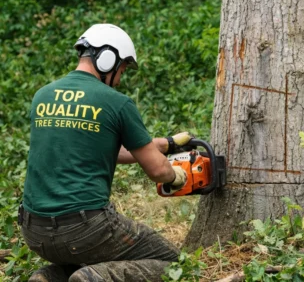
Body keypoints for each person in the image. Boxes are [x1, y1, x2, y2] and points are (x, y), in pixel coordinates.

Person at [19, 23, 191, 282]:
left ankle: (48, 278)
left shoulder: (42, 96)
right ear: (107, 58)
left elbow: (102, 147)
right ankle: (94, 278)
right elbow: (157, 170)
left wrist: (165, 144)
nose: (120, 78)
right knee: (174, 262)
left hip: (34, 230)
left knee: (83, 250)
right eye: (121, 68)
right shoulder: (116, 102)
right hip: (87, 228)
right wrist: (176, 176)